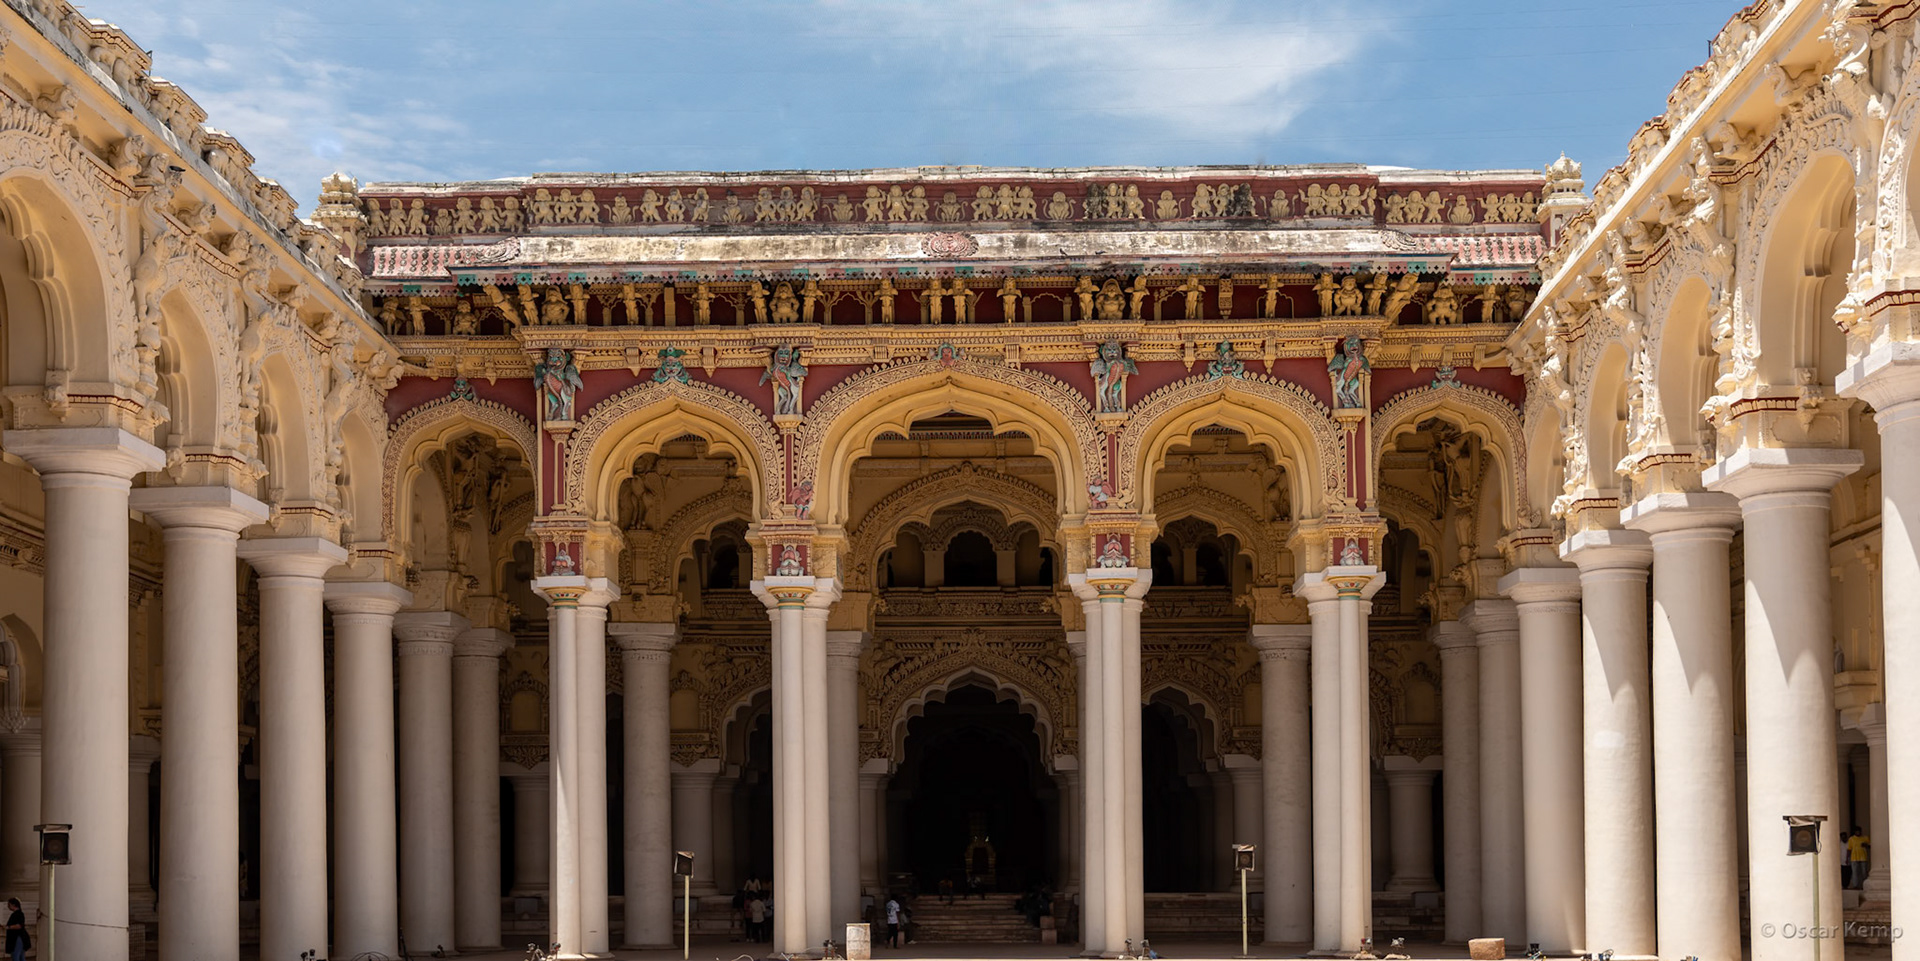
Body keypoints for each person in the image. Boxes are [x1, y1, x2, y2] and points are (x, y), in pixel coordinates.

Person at [5, 897, 27, 961]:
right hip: (19, 937)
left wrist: (9, 927)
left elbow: (19, 925)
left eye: (9, 905)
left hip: (17, 938)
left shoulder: (18, 914)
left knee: (16, 955)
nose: (8, 906)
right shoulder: (19, 914)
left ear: (13, 905)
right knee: (21, 956)